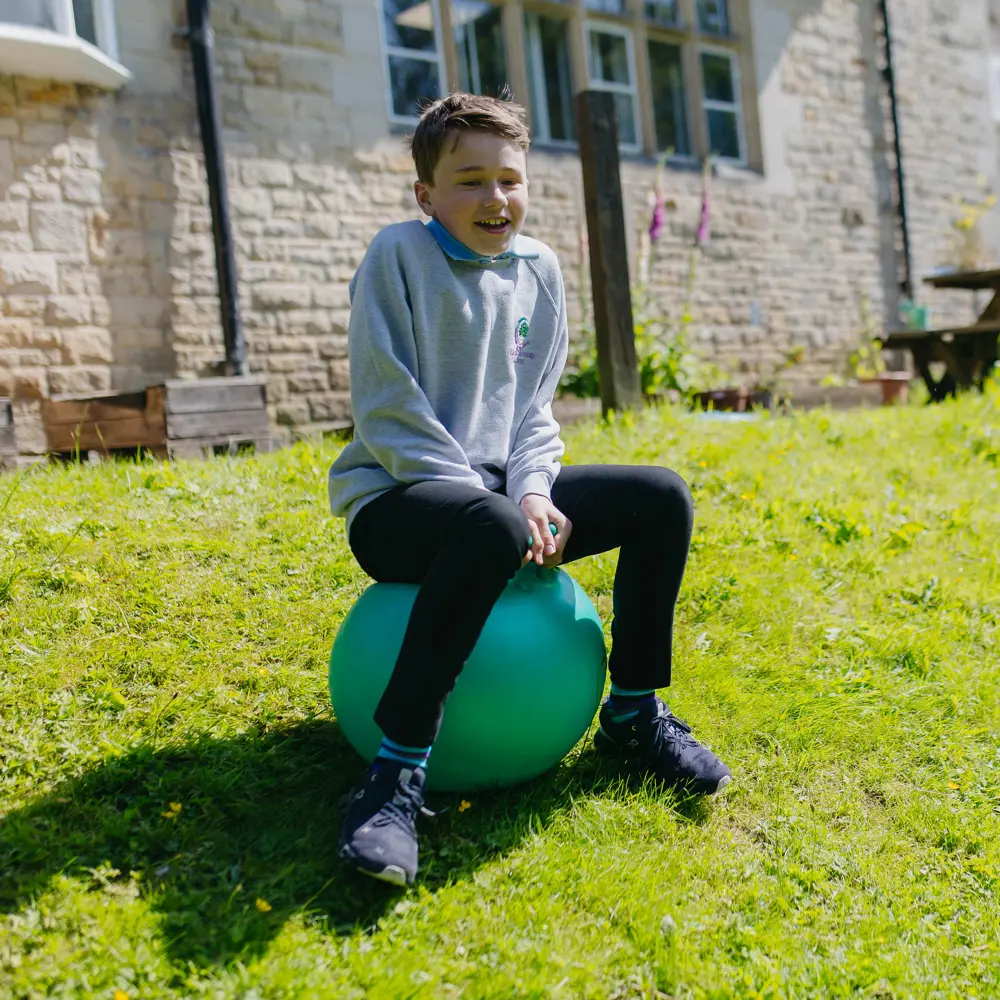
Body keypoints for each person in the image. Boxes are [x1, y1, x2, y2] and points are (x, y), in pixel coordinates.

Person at [328, 92, 731, 886]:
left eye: (509, 179)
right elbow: (387, 409)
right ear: (426, 195)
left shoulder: (540, 270)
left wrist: (537, 491)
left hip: (503, 502)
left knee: (661, 497)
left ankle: (631, 715)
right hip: (401, 504)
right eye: (469, 180)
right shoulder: (397, 256)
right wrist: (503, 509)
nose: (494, 198)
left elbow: (535, 411)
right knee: (489, 527)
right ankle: (394, 776)